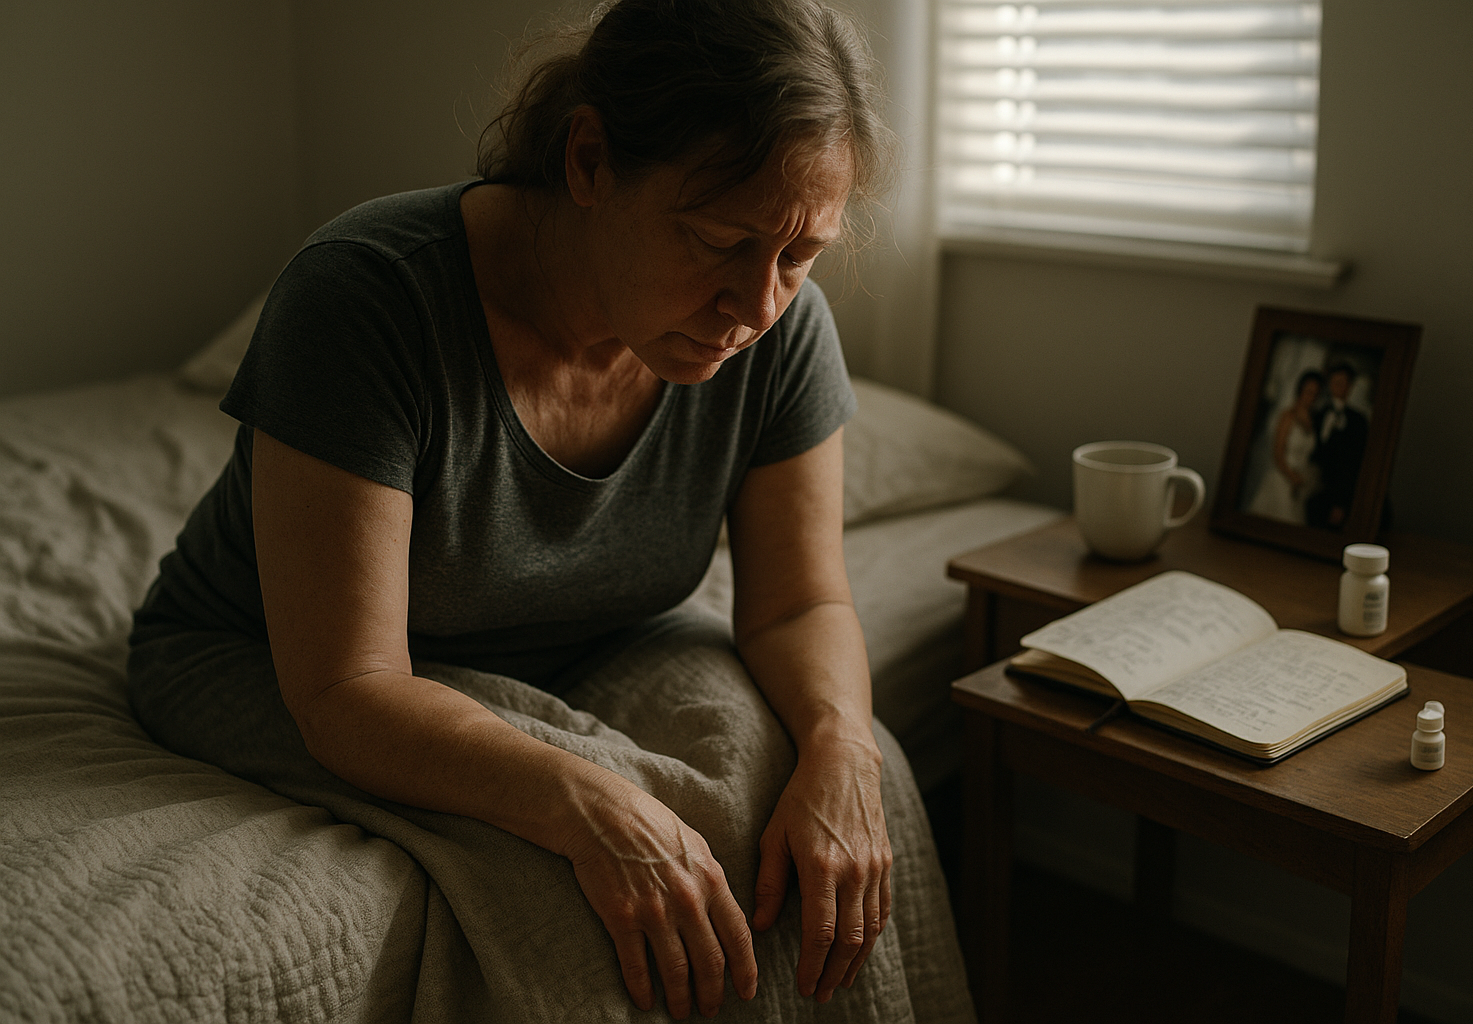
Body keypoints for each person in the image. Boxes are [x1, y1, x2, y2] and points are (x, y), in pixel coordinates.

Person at [125, 1, 973, 1021]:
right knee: (588, 860)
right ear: (587, 161)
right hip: (287, 660)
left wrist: (841, 749)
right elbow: (350, 687)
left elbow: (796, 609)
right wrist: (588, 802)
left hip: (601, 635)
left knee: (828, 770)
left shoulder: (781, 334)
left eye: (799, 257)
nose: (755, 307)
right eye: (717, 240)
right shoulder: (365, 295)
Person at [1246, 370, 1323, 524]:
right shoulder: (1288, 416)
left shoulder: (1314, 422)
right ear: (1300, 391)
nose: (1311, 397)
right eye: (1308, 392)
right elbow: (1278, 453)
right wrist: (1292, 477)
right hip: (1282, 478)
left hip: (1301, 481)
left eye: (1315, 394)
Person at [1306, 362, 1371, 530]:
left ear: (1350, 386)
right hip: (1312, 487)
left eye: (1343, 383)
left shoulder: (1357, 421)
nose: (1338, 387)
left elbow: (1353, 464)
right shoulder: (1317, 414)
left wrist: (1341, 503)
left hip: (1337, 493)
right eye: (1335, 382)